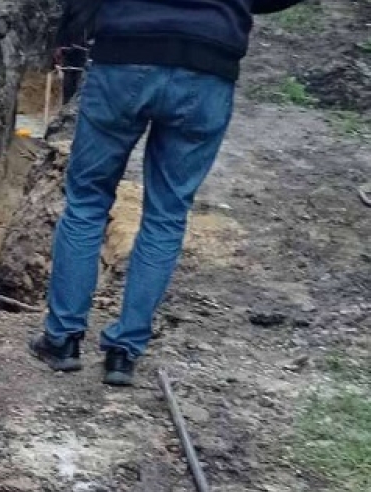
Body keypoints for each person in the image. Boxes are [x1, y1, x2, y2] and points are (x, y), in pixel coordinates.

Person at [31, 0, 307, 386]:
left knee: (87, 202)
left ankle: (62, 340)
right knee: (167, 215)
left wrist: (66, 34)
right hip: (209, 67)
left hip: (125, 56)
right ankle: (124, 354)